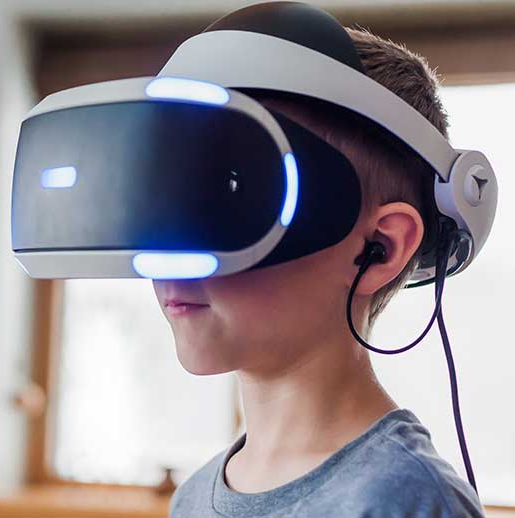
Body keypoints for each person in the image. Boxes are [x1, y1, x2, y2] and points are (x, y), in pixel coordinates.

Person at [151, 6, 485, 518]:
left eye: (231, 197)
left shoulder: (408, 500)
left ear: (381, 249)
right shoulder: (193, 498)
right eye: (171, 201)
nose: (172, 250)